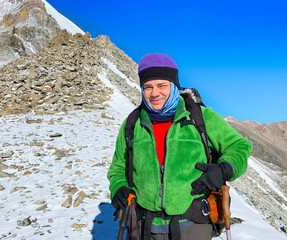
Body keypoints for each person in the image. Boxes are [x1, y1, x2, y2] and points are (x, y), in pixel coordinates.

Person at [107, 53, 252, 240]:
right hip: (145, 226)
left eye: (162, 85)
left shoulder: (200, 117)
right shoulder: (132, 124)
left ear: (174, 86)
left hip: (193, 225)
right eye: (148, 87)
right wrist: (118, 187)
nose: (155, 93)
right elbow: (118, 168)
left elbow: (239, 146)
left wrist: (224, 170)